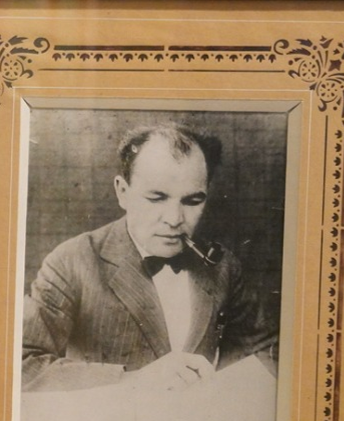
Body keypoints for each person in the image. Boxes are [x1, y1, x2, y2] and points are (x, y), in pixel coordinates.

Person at [21, 123, 277, 393]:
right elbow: (23, 365)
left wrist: (222, 389)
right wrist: (133, 381)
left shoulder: (223, 266)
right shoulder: (71, 262)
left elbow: (267, 353)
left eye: (192, 201)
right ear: (122, 192)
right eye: (157, 198)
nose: (174, 219)